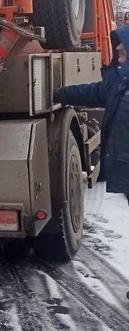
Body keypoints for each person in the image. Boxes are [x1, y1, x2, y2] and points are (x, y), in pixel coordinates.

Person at [54, 25, 129, 206]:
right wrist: (59, 94)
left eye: (124, 44)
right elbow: (93, 92)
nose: (118, 47)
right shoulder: (120, 84)